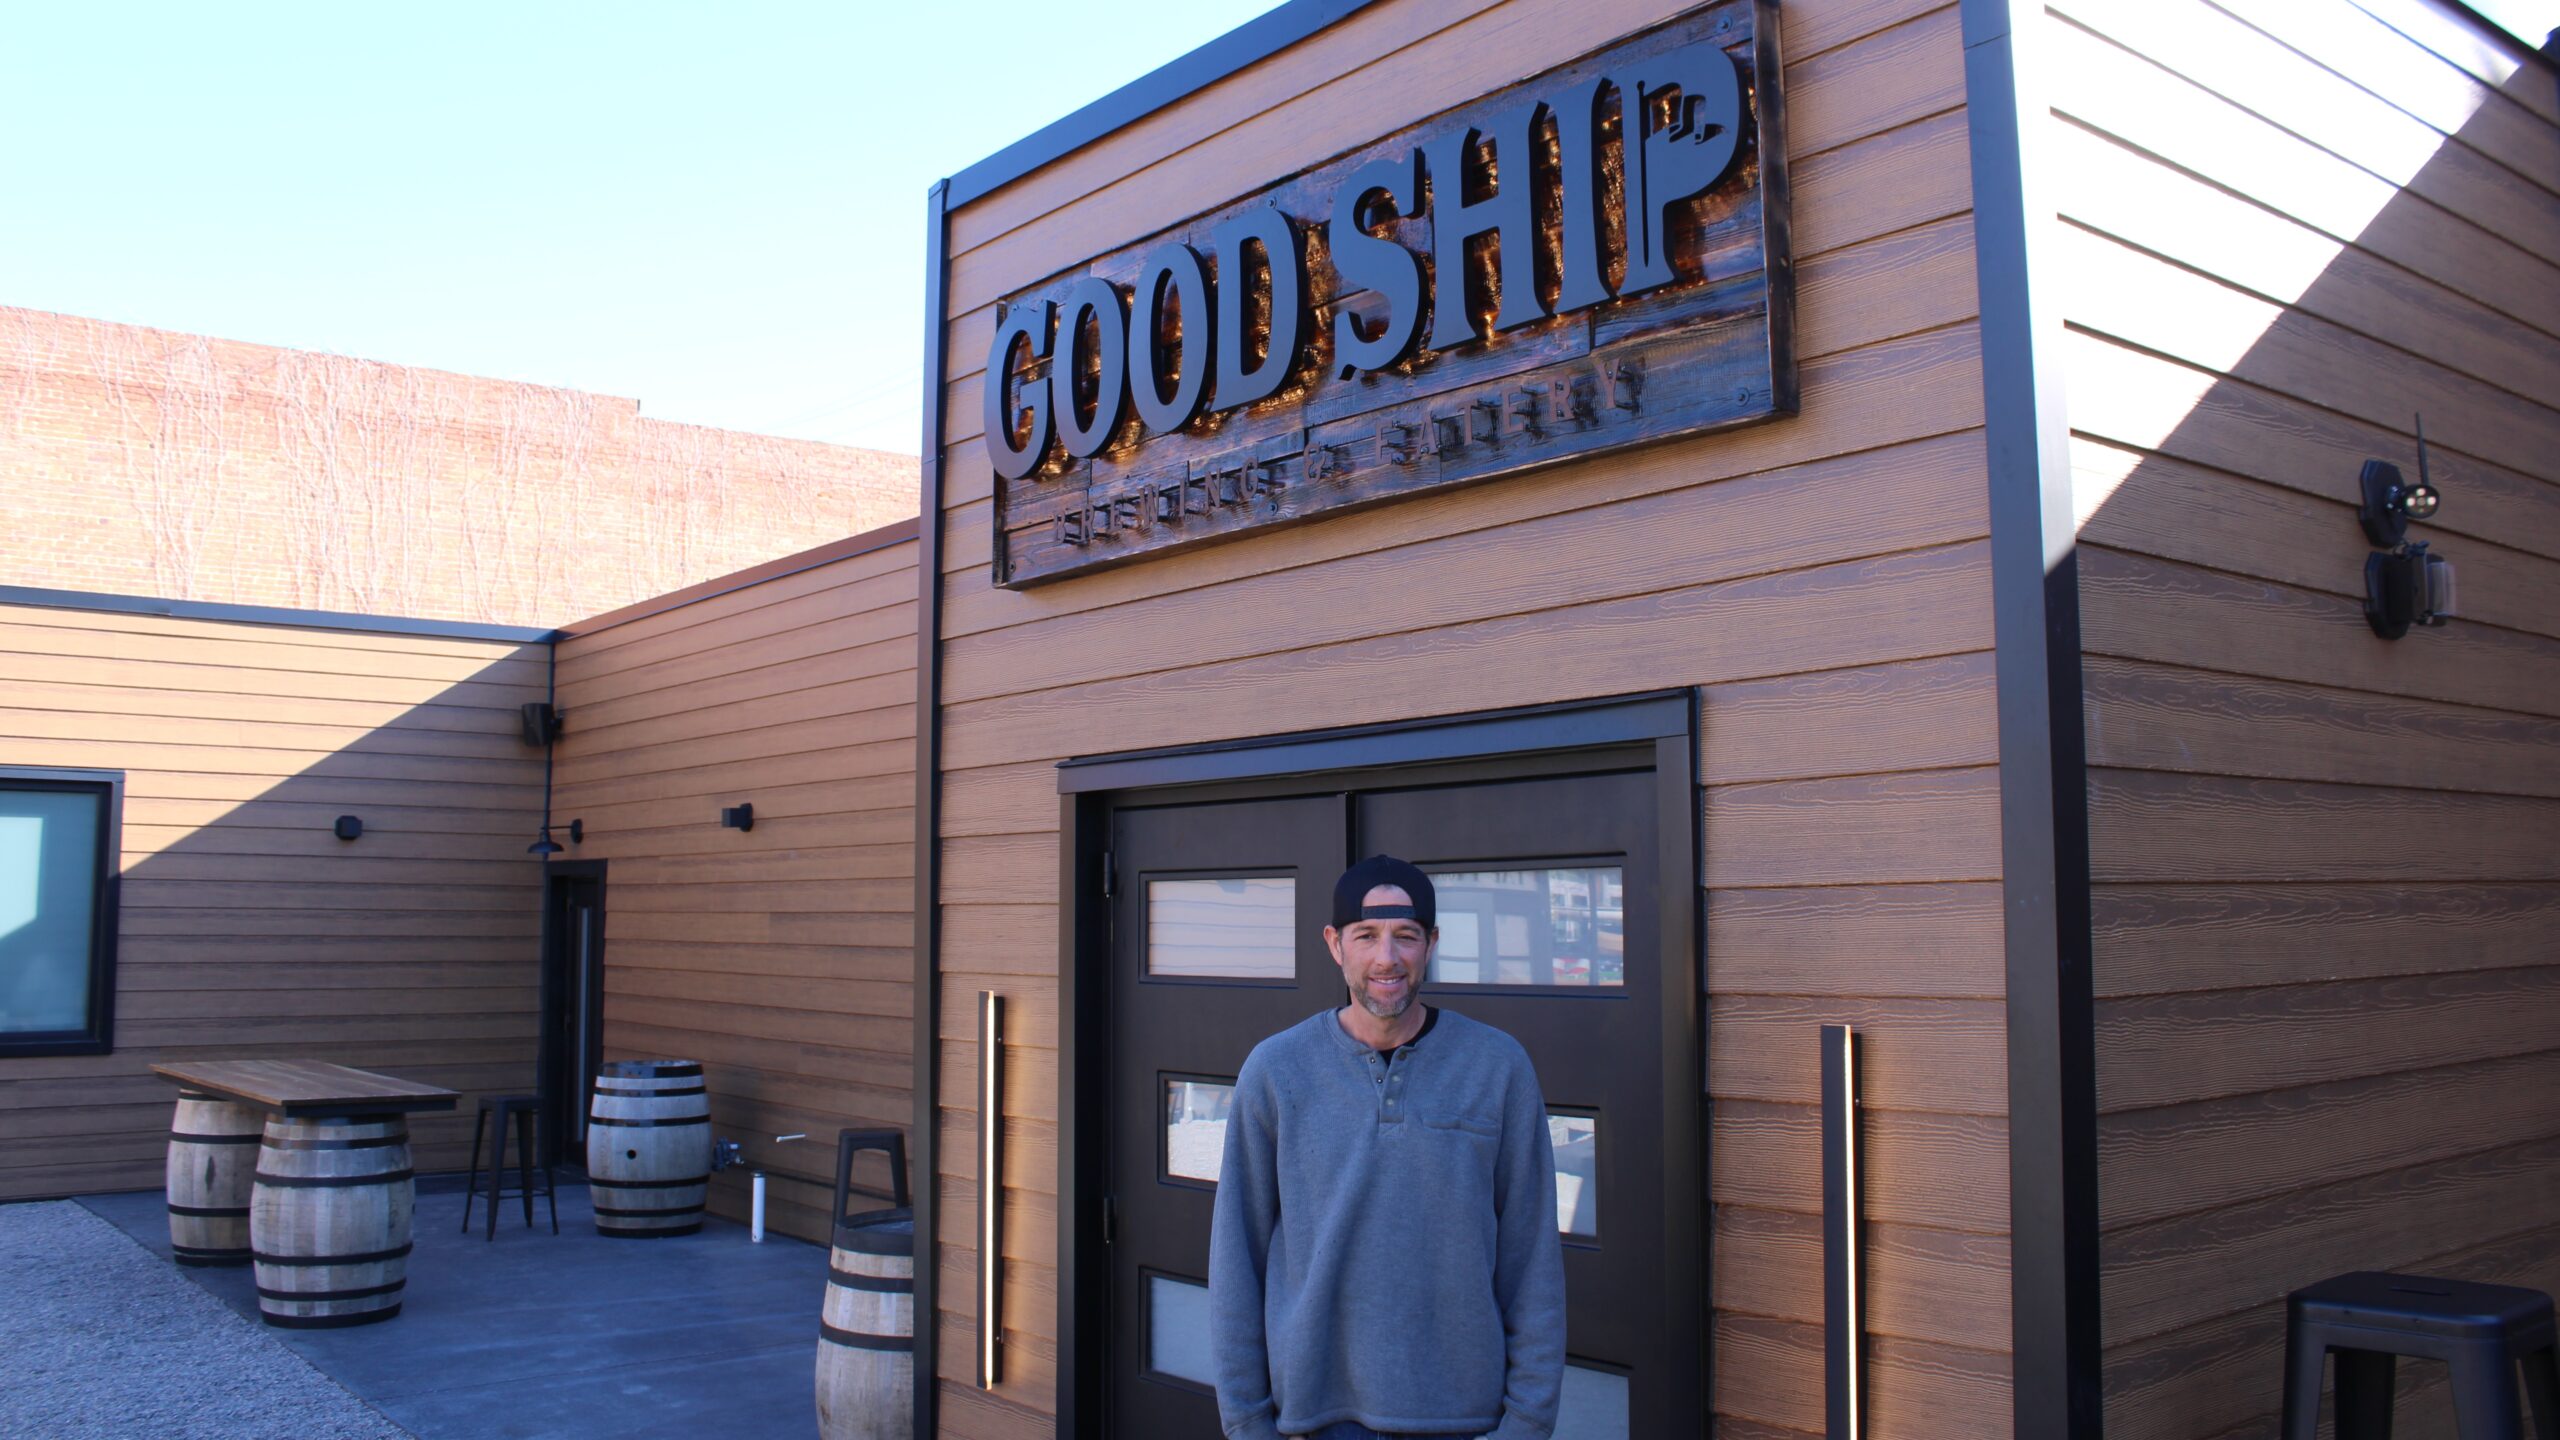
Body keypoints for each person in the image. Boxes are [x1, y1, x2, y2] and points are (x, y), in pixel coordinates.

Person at [1208, 855, 1566, 1440]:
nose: (1386, 958)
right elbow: (1235, 1257)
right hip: (1318, 1416)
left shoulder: (1497, 1067)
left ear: (1431, 944)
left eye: (1406, 935)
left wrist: (1527, 1421)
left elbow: (1532, 1259)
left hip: (1464, 1419)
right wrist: (1247, 1420)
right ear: (1335, 944)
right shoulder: (1276, 1070)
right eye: (1366, 935)